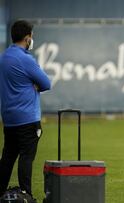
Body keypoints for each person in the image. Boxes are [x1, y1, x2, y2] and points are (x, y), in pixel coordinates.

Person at [0, 20, 51, 200]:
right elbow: (46, 83)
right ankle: (25, 195)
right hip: (27, 119)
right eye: (32, 36)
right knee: (26, 157)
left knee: (7, 158)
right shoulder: (26, 59)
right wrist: (33, 86)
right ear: (27, 38)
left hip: (9, 118)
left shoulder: (4, 57)